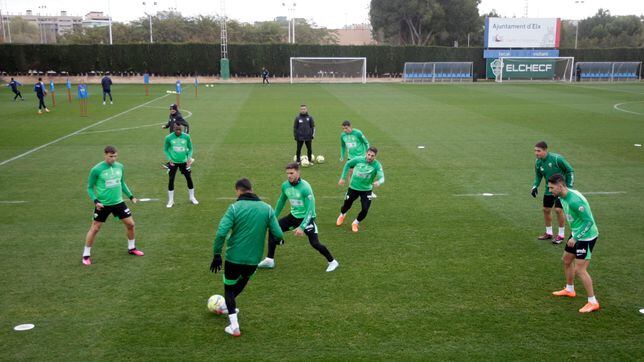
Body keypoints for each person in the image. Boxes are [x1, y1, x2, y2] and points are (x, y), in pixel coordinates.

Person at [210, 178, 284, 337]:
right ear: (251, 189)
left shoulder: (234, 208)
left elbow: (221, 233)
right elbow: (278, 233)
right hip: (254, 260)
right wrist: (279, 239)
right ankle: (228, 306)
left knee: (228, 288)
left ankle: (234, 326)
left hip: (233, 258)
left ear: (239, 190)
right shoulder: (267, 209)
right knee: (242, 281)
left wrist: (217, 255)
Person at [257, 162, 339, 272]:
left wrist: (302, 227)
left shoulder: (305, 187)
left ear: (298, 172)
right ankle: (269, 260)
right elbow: (281, 201)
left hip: (307, 218)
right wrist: (274, 218)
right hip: (293, 217)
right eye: (287, 173)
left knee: (315, 243)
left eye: (291, 173)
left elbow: (311, 210)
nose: (289, 176)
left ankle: (332, 262)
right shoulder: (285, 185)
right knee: (273, 229)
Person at [547, 174, 600, 313]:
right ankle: (570, 289)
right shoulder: (562, 196)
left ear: (560, 185)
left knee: (580, 270)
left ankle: (592, 302)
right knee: (566, 260)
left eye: (552, 187)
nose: (550, 190)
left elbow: (588, 222)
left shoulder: (574, 200)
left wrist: (576, 237)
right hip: (577, 233)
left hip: (586, 236)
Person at [83, 146, 144, 265]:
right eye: (111, 156)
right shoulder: (96, 169)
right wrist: (96, 201)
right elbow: (90, 187)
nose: (113, 159)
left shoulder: (120, 166)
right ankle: (86, 255)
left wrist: (131, 196)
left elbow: (122, 183)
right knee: (95, 228)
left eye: (115, 156)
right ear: (105, 155)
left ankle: (131, 248)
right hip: (103, 204)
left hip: (118, 203)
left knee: (131, 224)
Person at [531, 141, 574, 244]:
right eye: (535, 151)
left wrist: (569, 186)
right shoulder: (538, 162)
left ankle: (561, 235)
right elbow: (538, 175)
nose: (536, 153)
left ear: (545, 150)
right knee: (546, 209)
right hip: (549, 188)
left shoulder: (557, 159)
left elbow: (570, 171)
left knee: (558, 210)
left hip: (561, 189)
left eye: (538, 151)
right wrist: (535, 186)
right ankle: (549, 233)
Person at [336, 147, 384, 232]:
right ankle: (342, 215)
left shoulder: (377, 165)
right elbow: (347, 164)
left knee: (365, 209)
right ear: (366, 153)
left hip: (366, 190)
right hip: (353, 188)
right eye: (369, 154)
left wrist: (379, 182)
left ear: (375, 156)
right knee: (346, 205)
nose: (370, 157)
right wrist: (342, 178)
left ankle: (355, 223)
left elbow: (382, 177)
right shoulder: (358, 160)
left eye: (372, 156)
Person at [164, 124, 198, 207]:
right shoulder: (168, 138)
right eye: (177, 130)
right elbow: (165, 149)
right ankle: (171, 200)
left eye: (180, 130)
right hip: (173, 162)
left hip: (184, 162)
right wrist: (169, 159)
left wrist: (189, 158)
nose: (178, 131)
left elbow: (190, 148)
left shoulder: (186, 137)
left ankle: (192, 197)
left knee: (188, 178)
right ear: (174, 130)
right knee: (171, 180)